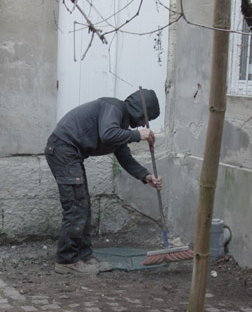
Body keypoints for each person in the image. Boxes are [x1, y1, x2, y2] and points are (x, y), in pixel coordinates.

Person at [45, 88, 163, 275]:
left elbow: (125, 157)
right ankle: (67, 262)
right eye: (144, 120)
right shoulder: (114, 108)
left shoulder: (120, 124)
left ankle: (84, 256)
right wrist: (138, 136)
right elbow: (108, 134)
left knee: (83, 206)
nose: (142, 124)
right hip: (63, 149)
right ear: (139, 109)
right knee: (76, 207)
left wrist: (146, 176)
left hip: (69, 153)